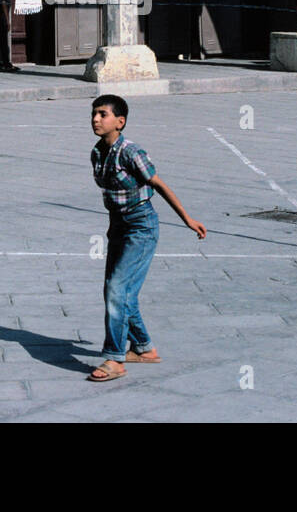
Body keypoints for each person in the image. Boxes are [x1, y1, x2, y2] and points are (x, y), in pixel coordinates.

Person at [86, 94, 206, 382]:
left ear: (120, 121)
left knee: (118, 289)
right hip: (118, 226)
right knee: (116, 290)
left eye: (103, 114)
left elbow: (158, 184)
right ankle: (144, 348)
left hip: (142, 226)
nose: (95, 119)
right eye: (94, 114)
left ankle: (114, 359)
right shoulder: (97, 152)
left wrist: (187, 220)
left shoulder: (131, 152)